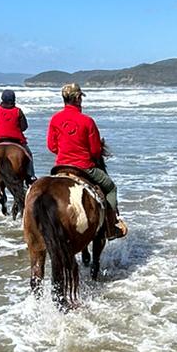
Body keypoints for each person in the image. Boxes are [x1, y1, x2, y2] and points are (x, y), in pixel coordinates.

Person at [46, 83, 127, 237]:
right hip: (84, 167)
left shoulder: (55, 119)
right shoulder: (87, 121)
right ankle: (111, 227)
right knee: (111, 188)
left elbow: (51, 146)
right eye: (80, 98)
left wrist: (65, 152)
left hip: (61, 166)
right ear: (77, 98)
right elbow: (96, 150)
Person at [0, 88, 34, 179]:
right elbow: (24, 127)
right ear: (13, 99)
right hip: (16, 140)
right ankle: (31, 175)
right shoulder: (18, 111)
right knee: (29, 154)